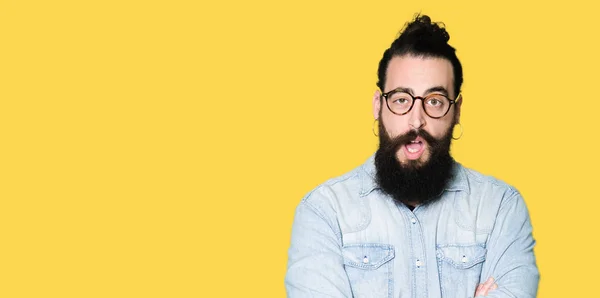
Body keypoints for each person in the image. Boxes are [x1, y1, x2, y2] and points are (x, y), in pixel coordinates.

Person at [284, 14, 539, 298]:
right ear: (378, 106)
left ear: (456, 111)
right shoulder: (323, 212)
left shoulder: (501, 208)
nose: (416, 121)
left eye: (434, 101)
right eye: (401, 99)